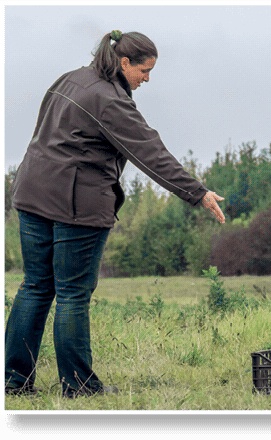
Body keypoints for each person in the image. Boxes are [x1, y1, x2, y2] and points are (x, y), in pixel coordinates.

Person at [5, 30, 225, 398]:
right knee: (73, 293)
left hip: (31, 192)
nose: (147, 79)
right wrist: (197, 192)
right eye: (145, 70)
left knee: (35, 287)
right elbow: (149, 150)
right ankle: (78, 386)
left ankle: (14, 382)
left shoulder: (71, 78)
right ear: (124, 63)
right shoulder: (109, 100)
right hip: (76, 204)